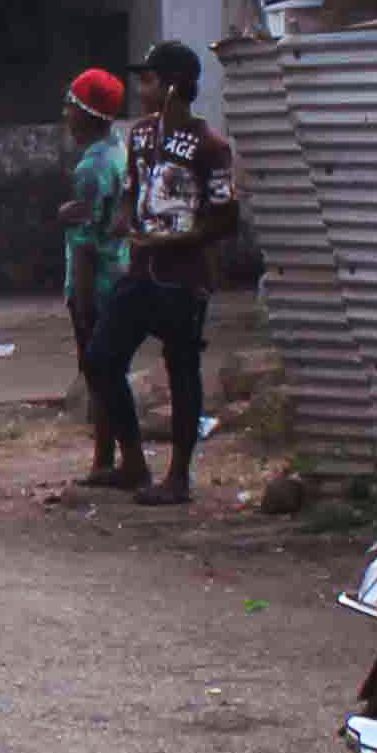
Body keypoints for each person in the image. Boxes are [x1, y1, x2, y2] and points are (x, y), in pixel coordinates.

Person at [85, 42, 238, 506]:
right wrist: (127, 218)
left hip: (184, 275)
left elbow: (226, 218)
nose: (139, 88)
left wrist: (172, 240)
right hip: (141, 269)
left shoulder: (211, 146)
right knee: (100, 358)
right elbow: (132, 189)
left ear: (171, 87)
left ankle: (178, 477)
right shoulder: (141, 135)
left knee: (183, 370)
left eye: (148, 79)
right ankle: (132, 460)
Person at [59, 68, 129, 484]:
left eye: (70, 106)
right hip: (119, 275)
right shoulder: (120, 152)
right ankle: (112, 454)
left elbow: (83, 244)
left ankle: (106, 458)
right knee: (109, 369)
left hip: (96, 283)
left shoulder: (91, 168)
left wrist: (82, 303)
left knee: (99, 370)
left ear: (87, 114)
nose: (65, 115)